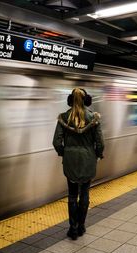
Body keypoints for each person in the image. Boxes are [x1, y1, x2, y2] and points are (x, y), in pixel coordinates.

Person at [53, 88, 104, 240]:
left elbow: (56, 142)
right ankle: (81, 226)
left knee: (72, 194)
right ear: (87, 100)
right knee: (85, 193)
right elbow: (100, 143)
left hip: (70, 160)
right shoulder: (94, 118)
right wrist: (98, 154)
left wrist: (64, 152)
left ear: (69, 100)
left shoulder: (63, 118)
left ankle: (73, 228)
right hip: (88, 159)